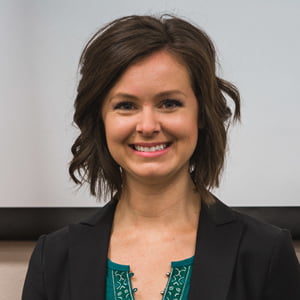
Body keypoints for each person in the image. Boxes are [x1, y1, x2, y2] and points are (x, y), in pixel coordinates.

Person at [22, 15, 300, 300]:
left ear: (201, 113)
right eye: (126, 105)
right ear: (100, 118)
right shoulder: (54, 257)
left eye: (169, 103)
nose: (148, 125)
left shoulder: (265, 253)